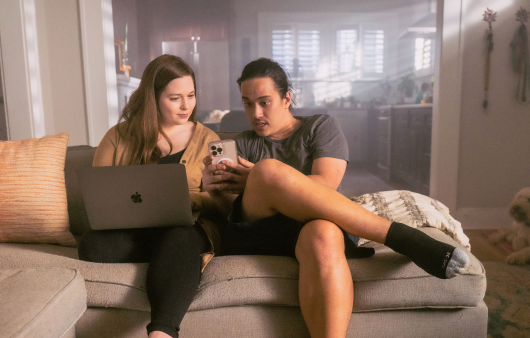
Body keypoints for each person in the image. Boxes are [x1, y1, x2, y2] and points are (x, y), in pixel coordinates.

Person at [202, 58, 470, 338]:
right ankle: (402, 238)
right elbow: (232, 213)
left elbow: (325, 186)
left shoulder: (319, 127)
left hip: (309, 227)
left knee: (324, 232)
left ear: (286, 98)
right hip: (258, 232)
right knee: (267, 171)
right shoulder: (242, 143)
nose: (255, 113)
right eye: (247, 103)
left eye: (264, 102)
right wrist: (215, 190)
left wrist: (259, 178)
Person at [78, 54, 220, 338]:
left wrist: (195, 196)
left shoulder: (209, 141)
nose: (186, 105)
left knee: (179, 238)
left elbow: (221, 209)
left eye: (190, 95)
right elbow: (99, 193)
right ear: (153, 98)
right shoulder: (118, 136)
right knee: (92, 246)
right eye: (175, 98)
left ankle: (162, 333)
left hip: (185, 228)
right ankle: (170, 260)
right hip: (134, 233)